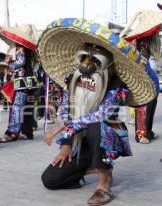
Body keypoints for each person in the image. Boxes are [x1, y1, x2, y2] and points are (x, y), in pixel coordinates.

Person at [38, 18, 157, 205]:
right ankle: (94, 166)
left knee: (98, 126)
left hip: (104, 133)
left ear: (107, 64)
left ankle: (104, 184)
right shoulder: (73, 79)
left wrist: (65, 129)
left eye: (94, 60)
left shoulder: (117, 86)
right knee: (51, 179)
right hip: (80, 138)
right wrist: (67, 142)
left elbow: (100, 114)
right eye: (84, 58)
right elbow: (65, 107)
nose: (87, 66)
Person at [0, 24, 39, 142]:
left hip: (22, 82)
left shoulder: (20, 47)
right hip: (30, 81)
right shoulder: (31, 50)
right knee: (27, 108)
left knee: (17, 107)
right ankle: (27, 132)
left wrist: (9, 65)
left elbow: (20, 62)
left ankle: (12, 132)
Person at [120, 9, 161, 144]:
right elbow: (141, 61)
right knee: (144, 101)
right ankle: (141, 134)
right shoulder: (141, 41)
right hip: (139, 74)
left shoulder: (146, 40)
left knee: (150, 100)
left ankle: (147, 132)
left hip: (143, 72)